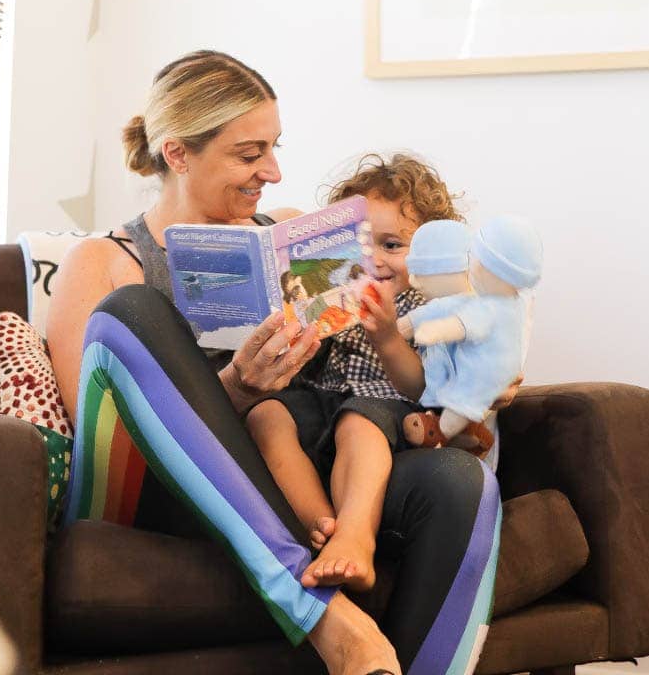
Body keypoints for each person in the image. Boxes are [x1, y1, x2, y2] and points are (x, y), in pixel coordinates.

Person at [46, 55, 501, 675]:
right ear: (178, 154)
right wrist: (236, 386)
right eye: (249, 153)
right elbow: (112, 444)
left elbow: (391, 339)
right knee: (133, 312)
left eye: (274, 148)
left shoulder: (292, 235)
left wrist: (475, 379)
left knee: (457, 483)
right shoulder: (102, 261)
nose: (274, 171)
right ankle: (319, 614)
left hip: (297, 473)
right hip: (167, 491)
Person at [245, 153, 461, 592]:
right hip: (320, 398)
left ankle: (356, 533)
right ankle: (319, 524)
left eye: (392, 245)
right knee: (264, 417)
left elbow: (422, 386)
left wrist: (386, 336)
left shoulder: (426, 306)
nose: (374, 261)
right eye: (359, 247)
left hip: (386, 409)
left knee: (358, 420)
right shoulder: (331, 286)